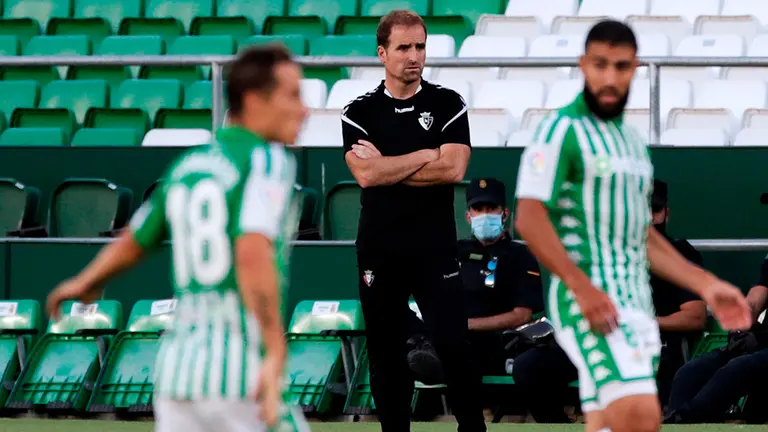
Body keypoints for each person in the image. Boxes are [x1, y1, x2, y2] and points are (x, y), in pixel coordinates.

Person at [45, 45, 311, 432]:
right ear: (254, 101)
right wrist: (274, 351)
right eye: (293, 95)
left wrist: (86, 281)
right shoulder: (266, 160)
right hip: (240, 372)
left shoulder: (189, 165)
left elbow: (136, 238)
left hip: (178, 375)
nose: (303, 109)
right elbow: (252, 251)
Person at [513, 19, 751, 432]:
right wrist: (581, 288)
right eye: (600, 64)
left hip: (635, 306)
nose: (610, 76)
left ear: (635, 68)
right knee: (638, 414)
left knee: (614, 422)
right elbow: (530, 217)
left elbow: (641, 235)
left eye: (621, 66)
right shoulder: (561, 130)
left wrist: (705, 284)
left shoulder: (631, 143)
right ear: (583, 64)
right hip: (587, 303)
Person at [340, 9, 485, 432]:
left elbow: (453, 170)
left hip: (435, 246)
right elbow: (366, 175)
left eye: (420, 46)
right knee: (386, 351)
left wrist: (390, 166)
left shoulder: (447, 103)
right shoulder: (358, 112)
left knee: (453, 344)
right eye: (404, 47)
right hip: (380, 249)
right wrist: (426, 153)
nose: (414, 56)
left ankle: (473, 429)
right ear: (382, 53)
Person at [512, 179, 707, 422]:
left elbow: (694, 317)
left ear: (665, 214)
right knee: (528, 366)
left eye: (653, 211)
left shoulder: (680, 255)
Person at [406, 177, 544, 381]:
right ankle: (430, 360)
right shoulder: (453, 251)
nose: (485, 215)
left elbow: (522, 315)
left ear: (504, 214)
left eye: (491, 208)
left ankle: (437, 365)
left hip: (494, 340)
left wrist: (465, 325)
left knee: (460, 347)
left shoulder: (521, 255)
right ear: (469, 216)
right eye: (478, 209)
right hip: (446, 333)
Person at [665, 263, 768, 424]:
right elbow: (755, 300)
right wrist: (740, 327)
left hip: (763, 342)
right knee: (689, 373)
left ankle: (683, 421)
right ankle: (678, 419)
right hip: (760, 340)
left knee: (738, 369)